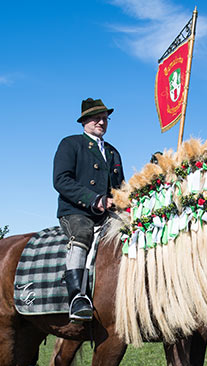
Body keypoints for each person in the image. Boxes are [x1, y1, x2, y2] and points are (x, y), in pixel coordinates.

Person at [53, 97, 125, 322]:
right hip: (76, 211)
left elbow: (120, 187)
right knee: (82, 232)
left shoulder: (113, 152)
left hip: (107, 213)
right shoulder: (71, 144)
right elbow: (61, 180)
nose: (101, 122)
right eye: (96, 118)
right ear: (84, 121)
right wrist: (95, 200)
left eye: (105, 118)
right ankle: (77, 298)